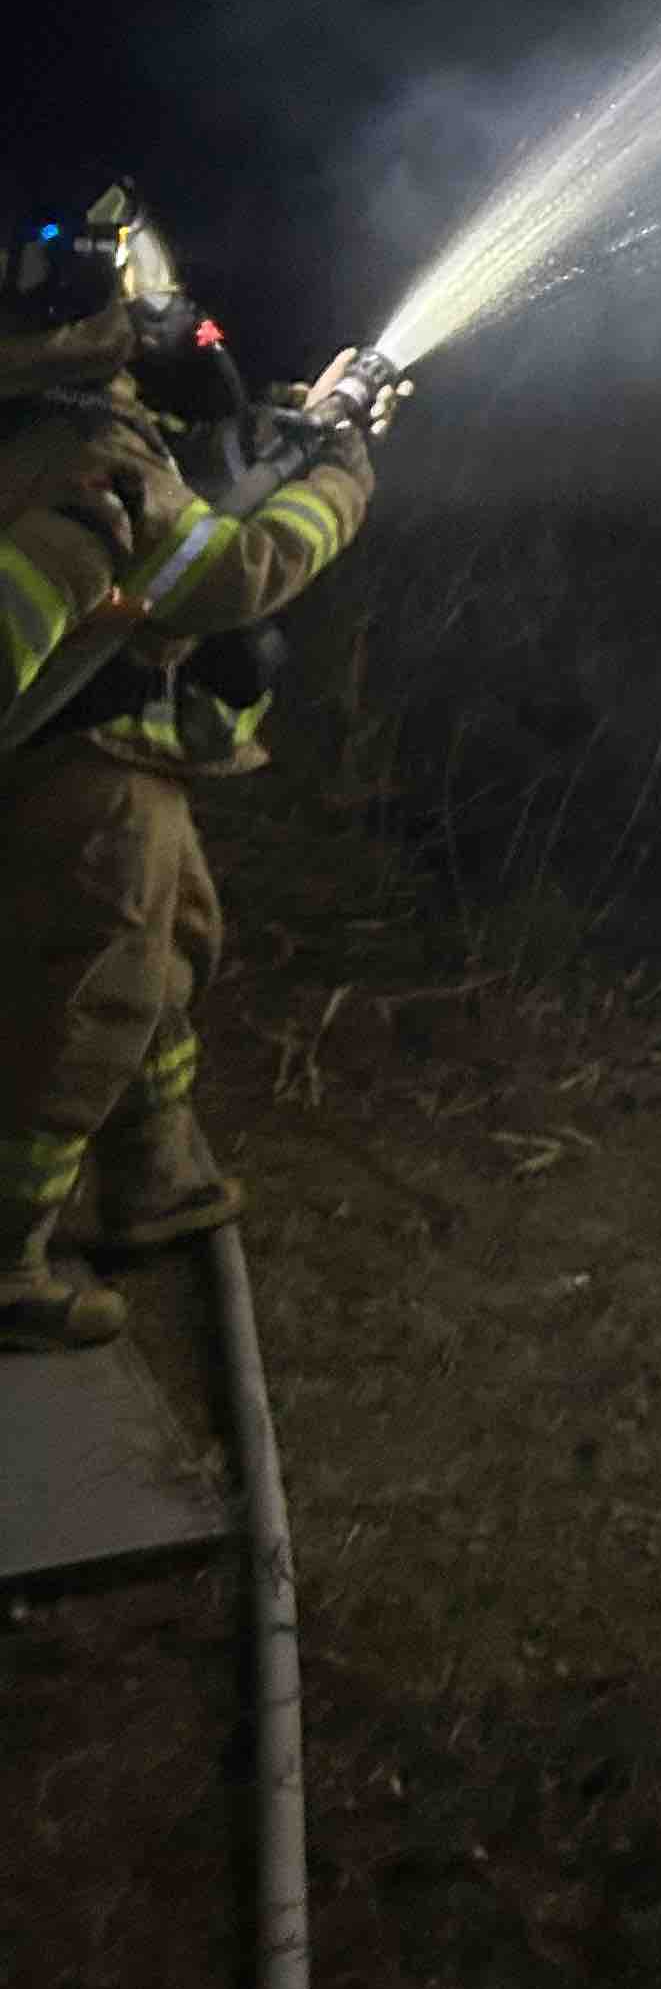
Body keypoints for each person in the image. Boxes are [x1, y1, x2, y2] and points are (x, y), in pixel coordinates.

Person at [0, 186, 380, 1354]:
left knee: (172, 945)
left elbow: (186, 472)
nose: (161, 307)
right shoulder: (85, 443)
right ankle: (9, 1266)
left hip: (95, 757)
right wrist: (344, 478)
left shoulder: (48, 408)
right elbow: (230, 570)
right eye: (137, 280)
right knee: (91, 998)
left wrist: (291, 425)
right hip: (83, 770)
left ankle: (156, 1177)